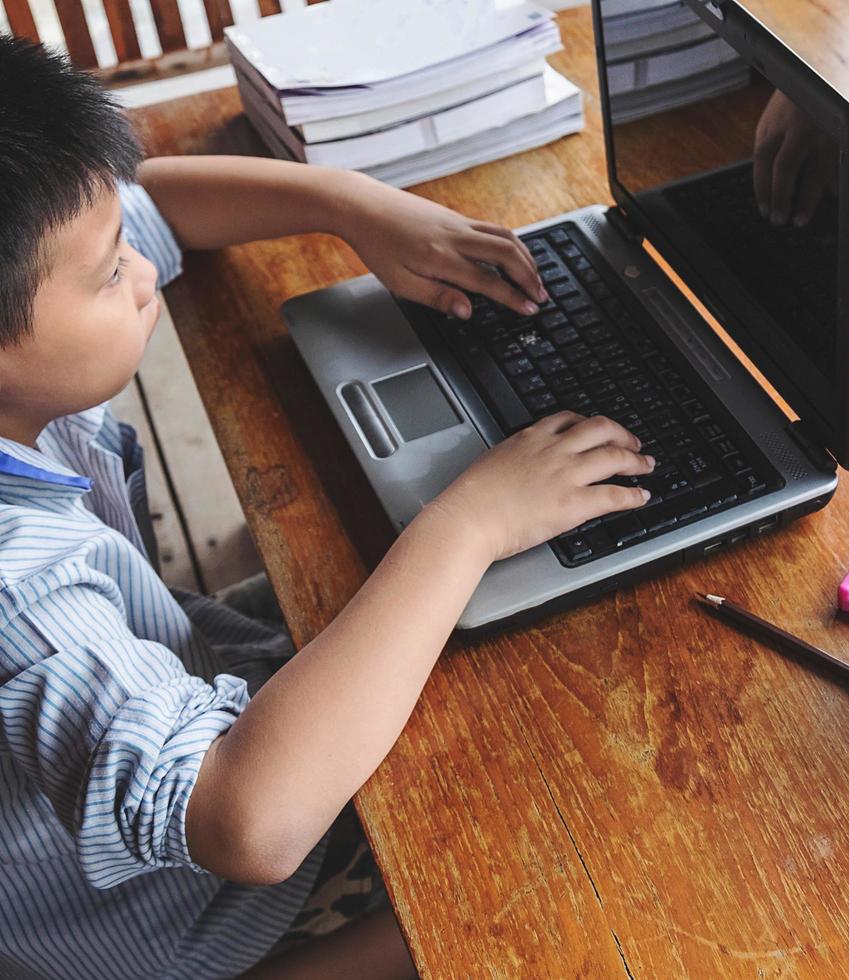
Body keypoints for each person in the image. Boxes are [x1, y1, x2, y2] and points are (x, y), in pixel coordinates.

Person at [0, 35, 654, 979]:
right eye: (109, 275)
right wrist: (468, 523)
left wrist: (356, 206)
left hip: (191, 677)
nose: (141, 271)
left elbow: (155, 210)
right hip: (194, 920)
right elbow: (247, 822)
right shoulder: (24, 593)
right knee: (575, 878)